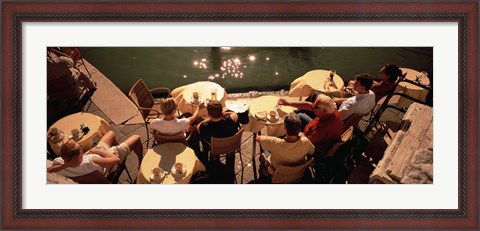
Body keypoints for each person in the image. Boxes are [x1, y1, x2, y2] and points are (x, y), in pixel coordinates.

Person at [47, 131, 143, 181]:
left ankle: (121, 150)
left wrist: (66, 165)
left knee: (111, 134)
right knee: (137, 138)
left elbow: (48, 171)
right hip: (107, 157)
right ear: (78, 156)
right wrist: (96, 151)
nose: (82, 149)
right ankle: (140, 163)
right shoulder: (91, 161)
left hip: (98, 153)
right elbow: (116, 159)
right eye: (80, 149)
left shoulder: (59, 165)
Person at [277, 94, 343, 153]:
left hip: (312, 145)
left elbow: (305, 143)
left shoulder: (323, 130)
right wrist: (288, 103)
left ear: (324, 111)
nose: (313, 107)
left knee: (289, 131)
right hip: (312, 126)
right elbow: (309, 105)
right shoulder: (331, 109)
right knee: (300, 115)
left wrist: (296, 134)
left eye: (315, 107)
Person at [256, 113, 315, 178]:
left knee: (264, 152)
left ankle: (264, 172)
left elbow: (257, 138)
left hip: (277, 173)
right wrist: (302, 135)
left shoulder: (274, 142)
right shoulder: (305, 142)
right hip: (298, 174)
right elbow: (312, 151)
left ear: (285, 128)